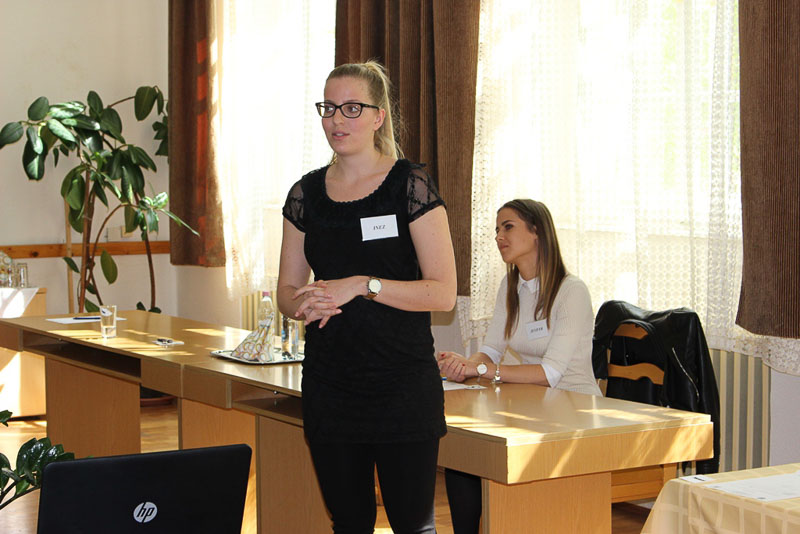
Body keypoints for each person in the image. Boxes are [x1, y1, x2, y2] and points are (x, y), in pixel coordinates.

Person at [277, 60, 457, 534]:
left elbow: (443, 293)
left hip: (402, 385)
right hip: (330, 384)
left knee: (412, 525)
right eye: (329, 108)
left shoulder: (409, 185)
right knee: (349, 522)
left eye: (352, 108)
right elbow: (286, 293)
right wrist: (305, 302)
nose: (337, 120)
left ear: (379, 116)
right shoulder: (305, 194)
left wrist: (362, 284)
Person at [437, 198, 600, 534]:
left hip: (574, 410)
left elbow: (550, 373)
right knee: (464, 454)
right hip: (535, 407)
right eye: (497, 229)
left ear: (537, 231)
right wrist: (466, 365)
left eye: (508, 227)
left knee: (485, 455)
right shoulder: (510, 287)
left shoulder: (571, 291)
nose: (499, 236)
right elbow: (491, 350)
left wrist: (480, 371)